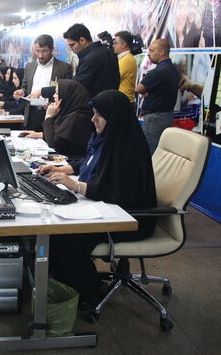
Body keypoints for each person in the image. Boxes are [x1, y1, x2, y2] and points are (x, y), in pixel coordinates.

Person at [38, 90, 157, 308]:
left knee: (66, 236)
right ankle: (66, 281)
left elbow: (114, 192)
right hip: (109, 209)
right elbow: (89, 162)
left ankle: (88, 292)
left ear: (114, 117)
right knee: (57, 228)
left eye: (98, 115)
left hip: (130, 218)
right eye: (93, 114)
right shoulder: (107, 138)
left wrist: (75, 185)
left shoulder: (127, 150)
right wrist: (58, 168)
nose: (93, 120)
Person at [13, 34, 72, 131]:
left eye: (44, 51)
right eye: (37, 51)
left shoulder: (64, 68)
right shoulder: (29, 66)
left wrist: (53, 103)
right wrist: (22, 92)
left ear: (52, 49)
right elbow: (25, 87)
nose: (40, 55)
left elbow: (67, 92)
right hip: (31, 113)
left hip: (51, 114)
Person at [135, 39, 179, 154]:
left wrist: (145, 89)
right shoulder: (172, 69)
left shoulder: (159, 72)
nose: (148, 53)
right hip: (165, 116)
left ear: (161, 52)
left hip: (155, 118)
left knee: (148, 152)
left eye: (151, 50)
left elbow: (138, 89)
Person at [63, 23, 119, 98]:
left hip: (95, 105)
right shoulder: (108, 51)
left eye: (72, 45)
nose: (71, 49)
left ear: (82, 40)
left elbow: (77, 85)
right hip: (112, 100)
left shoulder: (89, 58)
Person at [41, 80, 95, 158]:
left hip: (70, 162)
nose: (53, 96)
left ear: (66, 95)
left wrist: (49, 116)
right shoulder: (68, 112)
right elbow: (58, 134)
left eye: (56, 93)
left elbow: (53, 142)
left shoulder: (77, 117)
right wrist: (40, 135)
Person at [113, 31, 138, 103]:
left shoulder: (127, 59)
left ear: (123, 44)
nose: (113, 45)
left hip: (124, 100)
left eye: (115, 43)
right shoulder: (123, 58)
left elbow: (114, 77)